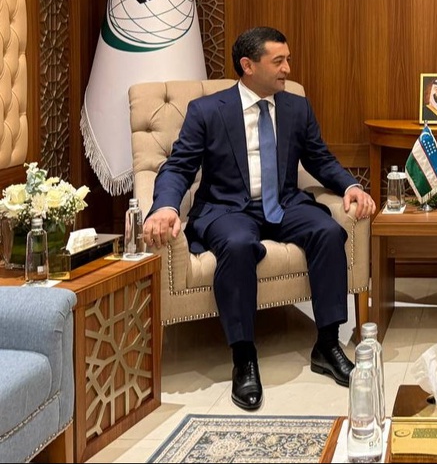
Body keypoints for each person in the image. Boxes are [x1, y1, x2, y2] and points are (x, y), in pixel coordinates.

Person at [142, 26, 377, 412]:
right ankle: (244, 357)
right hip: (227, 207)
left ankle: (327, 343)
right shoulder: (208, 111)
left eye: (288, 60)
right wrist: (165, 207)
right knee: (237, 245)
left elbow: (319, 158)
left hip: (283, 203)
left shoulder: (296, 107)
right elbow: (178, 167)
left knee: (328, 232)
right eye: (278, 61)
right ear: (248, 65)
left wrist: (350, 185)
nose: (287, 69)